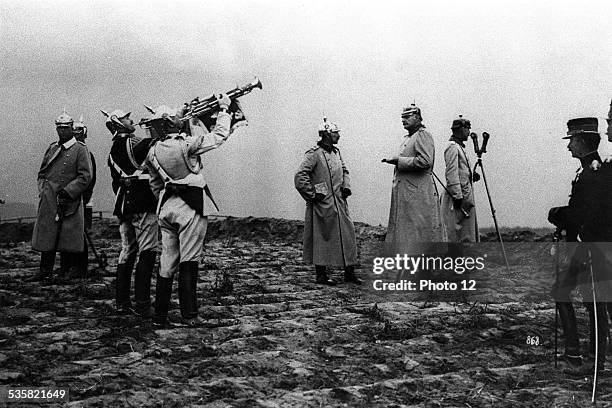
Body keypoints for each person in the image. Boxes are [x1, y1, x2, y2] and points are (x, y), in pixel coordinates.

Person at [143, 95, 232, 327]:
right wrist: (223, 109)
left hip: (166, 207)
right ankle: (189, 315)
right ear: (173, 124)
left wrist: (167, 198)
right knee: (189, 260)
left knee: (167, 261)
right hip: (190, 207)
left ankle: (160, 315)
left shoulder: (153, 151)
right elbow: (219, 136)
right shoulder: (186, 144)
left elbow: (154, 185)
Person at [548, 117, 612, 373]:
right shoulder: (588, 171)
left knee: (594, 303)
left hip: (591, 247)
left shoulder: (596, 173)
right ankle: (576, 355)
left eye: (572, 140)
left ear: (583, 141)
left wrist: (558, 215)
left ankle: (593, 361)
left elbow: (590, 213)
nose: (568, 146)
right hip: (581, 246)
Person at [104, 109, 159, 317]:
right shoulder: (128, 142)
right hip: (142, 202)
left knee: (127, 251)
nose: (132, 120)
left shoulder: (114, 148)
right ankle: (143, 305)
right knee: (148, 251)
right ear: (118, 124)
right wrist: (158, 127)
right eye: (127, 118)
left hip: (124, 204)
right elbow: (150, 146)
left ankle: (122, 302)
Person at [294, 118, 361, 286]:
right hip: (321, 203)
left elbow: (345, 170)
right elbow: (300, 176)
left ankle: (349, 272)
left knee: (348, 235)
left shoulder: (337, 152)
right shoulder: (313, 154)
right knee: (321, 237)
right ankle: (321, 275)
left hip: (339, 201)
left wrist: (346, 186)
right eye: (335, 132)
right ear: (326, 134)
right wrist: (312, 194)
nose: (338, 135)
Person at [29, 110, 92, 282]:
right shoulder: (52, 148)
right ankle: (44, 270)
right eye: (59, 127)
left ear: (72, 128)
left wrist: (70, 191)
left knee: (67, 236)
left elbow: (85, 176)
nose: (62, 131)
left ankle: (66, 270)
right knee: (46, 235)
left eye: (65, 127)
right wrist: (43, 190)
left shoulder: (80, 149)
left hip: (68, 199)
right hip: (49, 199)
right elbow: (42, 173)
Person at [382, 104, 444, 255]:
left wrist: (398, 161)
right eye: (402, 117)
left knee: (418, 231)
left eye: (407, 117)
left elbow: (425, 161)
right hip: (407, 195)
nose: (403, 120)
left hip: (418, 194)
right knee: (406, 230)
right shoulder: (408, 138)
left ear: (417, 117)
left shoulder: (423, 135)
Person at [61, 115, 96, 277]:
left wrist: (83, 197)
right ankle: (66, 265)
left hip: (80, 199)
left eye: (79, 132)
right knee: (65, 232)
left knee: (79, 233)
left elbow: (89, 179)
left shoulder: (86, 153)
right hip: (69, 198)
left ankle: (80, 267)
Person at [441, 116, 478, 243]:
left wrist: (472, 175)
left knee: (466, 233)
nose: (468, 132)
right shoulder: (452, 147)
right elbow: (451, 173)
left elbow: (462, 171)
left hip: (465, 195)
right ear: (460, 129)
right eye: (467, 129)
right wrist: (457, 196)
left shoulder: (460, 147)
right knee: (455, 232)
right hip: (457, 197)